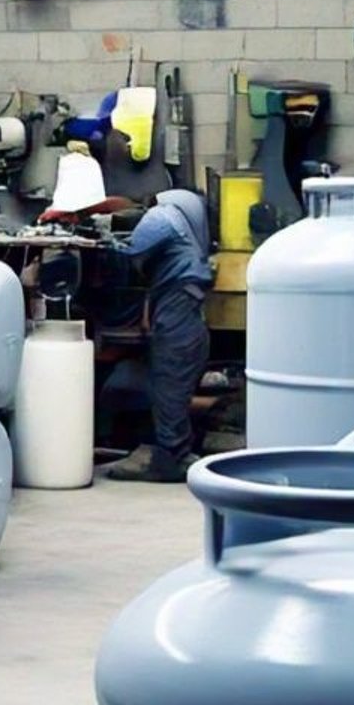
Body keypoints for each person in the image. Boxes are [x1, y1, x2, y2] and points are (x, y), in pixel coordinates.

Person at [42, 154, 212, 484]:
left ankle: (172, 458)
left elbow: (130, 253)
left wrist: (101, 240)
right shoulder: (184, 222)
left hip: (177, 310)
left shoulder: (161, 218)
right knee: (170, 383)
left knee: (169, 382)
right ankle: (175, 453)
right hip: (181, 307)